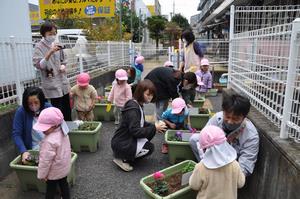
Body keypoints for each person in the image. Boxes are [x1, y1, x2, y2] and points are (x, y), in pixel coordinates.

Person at [189, 89, 259, 176]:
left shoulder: (251, 135)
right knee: (195, 139)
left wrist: (227, 178)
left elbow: (245, 166)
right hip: (214, 156)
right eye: (227, 116)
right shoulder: (217, 118)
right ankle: (206, 169)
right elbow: (204, 137)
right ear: (223, 111)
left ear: (244, 117)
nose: (230, 121)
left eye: (235, 119)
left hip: (231, 166)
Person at [111, 80, 167, 172]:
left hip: (122, 140)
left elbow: (142, 123)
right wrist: (154, 128)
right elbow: (135, 131)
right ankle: (122, 159)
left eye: (152, 95)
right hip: (122, 143)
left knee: (150, 134)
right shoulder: (133, 108)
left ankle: (127, 154)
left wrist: (154, 126)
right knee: (149, 148)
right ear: (140, 93)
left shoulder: (137, 104)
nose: (150, 97)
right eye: (148, 94)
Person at [189, 125, 245, 199]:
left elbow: (194, 185)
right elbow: (240, 184)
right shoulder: (235, 165)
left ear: (204, 148)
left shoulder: (201, 167)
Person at [32, 22, 71, 121]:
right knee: (57, 108)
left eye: (54, 33)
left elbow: (64, 59)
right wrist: (50, 52)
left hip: (62, 80)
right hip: (51, 82)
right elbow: (39, 65)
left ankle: (69, 129)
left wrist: (63, 65)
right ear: (44, 34)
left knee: (67, 107)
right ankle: (58, 130)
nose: (53, 36)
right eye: (50, 34)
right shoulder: (39, 47)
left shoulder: (57, 44)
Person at [33, 107, 71, 199]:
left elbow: (45, 160)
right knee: (64, 185)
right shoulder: (63, 132)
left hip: (53, 171)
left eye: (45, 128)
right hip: (64, 167)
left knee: (51, 189)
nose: (42, 130)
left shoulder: (49, 141)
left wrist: (42, 174)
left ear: (54, 125)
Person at [12, 87, 51, 164]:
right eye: (30, 104)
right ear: (26, 103)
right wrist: (24, 151)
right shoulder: (21, 112)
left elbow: (58, 126)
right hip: (33, 149)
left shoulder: (48, 108)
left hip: (50, 146)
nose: (33, 106)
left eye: (36, 102)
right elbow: (16, 134)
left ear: (41, 101)